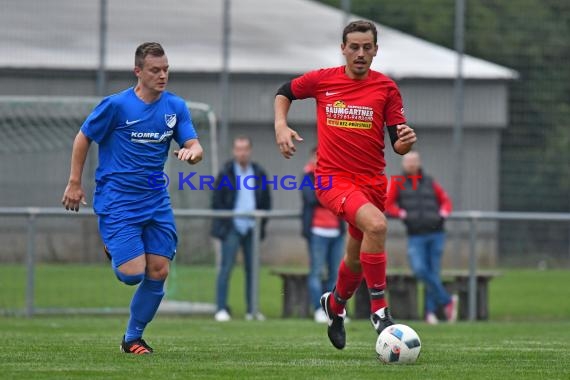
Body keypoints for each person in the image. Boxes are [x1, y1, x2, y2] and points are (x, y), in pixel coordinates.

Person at [274, 20, 417, 349]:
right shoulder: (324, 80)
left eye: (367, 47)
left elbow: (399, 143)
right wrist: (281, 125)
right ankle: (379, 310)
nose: (360, 53)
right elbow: (284, 92)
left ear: (376, 50)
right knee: (378, 225)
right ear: (343, 48)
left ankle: (335, 306)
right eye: (354, 46)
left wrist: (407, 141)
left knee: (356, 258)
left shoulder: (386, 88)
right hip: (332, 180)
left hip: (372, 184)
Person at [61, 42, 203, 354]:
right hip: (118, 200)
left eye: (166, 69)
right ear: (138, 71)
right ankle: (114, 247)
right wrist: (74, 182)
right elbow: (84, 137)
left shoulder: (175, 107)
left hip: (155, 200)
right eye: (155, 70)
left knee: (159, 271)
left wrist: (191, 153)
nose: (162, 75)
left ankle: (133, 338)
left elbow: (195, 145)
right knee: (131, 274)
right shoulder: (116, 106)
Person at [385, 151, 457, 324]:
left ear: (419, 162)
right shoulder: (398, 182)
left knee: (433, 273)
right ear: (403, 164)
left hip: (436, 232)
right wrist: (400, 213)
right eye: (408, 161)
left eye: (414, 160)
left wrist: (444, 212)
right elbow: (387, 204)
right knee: (420, 270)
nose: (411, 164)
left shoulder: (429, 181)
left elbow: (445, 200)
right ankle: (447, 301)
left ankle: (430, 313)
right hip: (416, 234)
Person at [210, 136, 272, 322]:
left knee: (252, 271)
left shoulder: (259, 172)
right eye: (238, 149)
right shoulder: (226, 172)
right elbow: (217, 201)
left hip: (252, 227)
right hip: (232, 227)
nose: (242, 152)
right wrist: (225, 222)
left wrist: (261, 224)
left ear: (250, 150)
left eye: (245, 148)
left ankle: (252, 310)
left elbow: (266, 201)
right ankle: (221, 309)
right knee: (226, 269)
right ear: (233, 151)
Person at [301, 147, 345, 323]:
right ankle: (318, 309)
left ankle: (333, 310)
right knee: (317, 272)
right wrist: (330, 196)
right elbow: (311, 198)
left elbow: (343, 197)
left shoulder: (336, 177)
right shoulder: (307, 177)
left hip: (336, 231)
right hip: (317, 231)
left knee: (335, 274)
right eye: (316, 157)